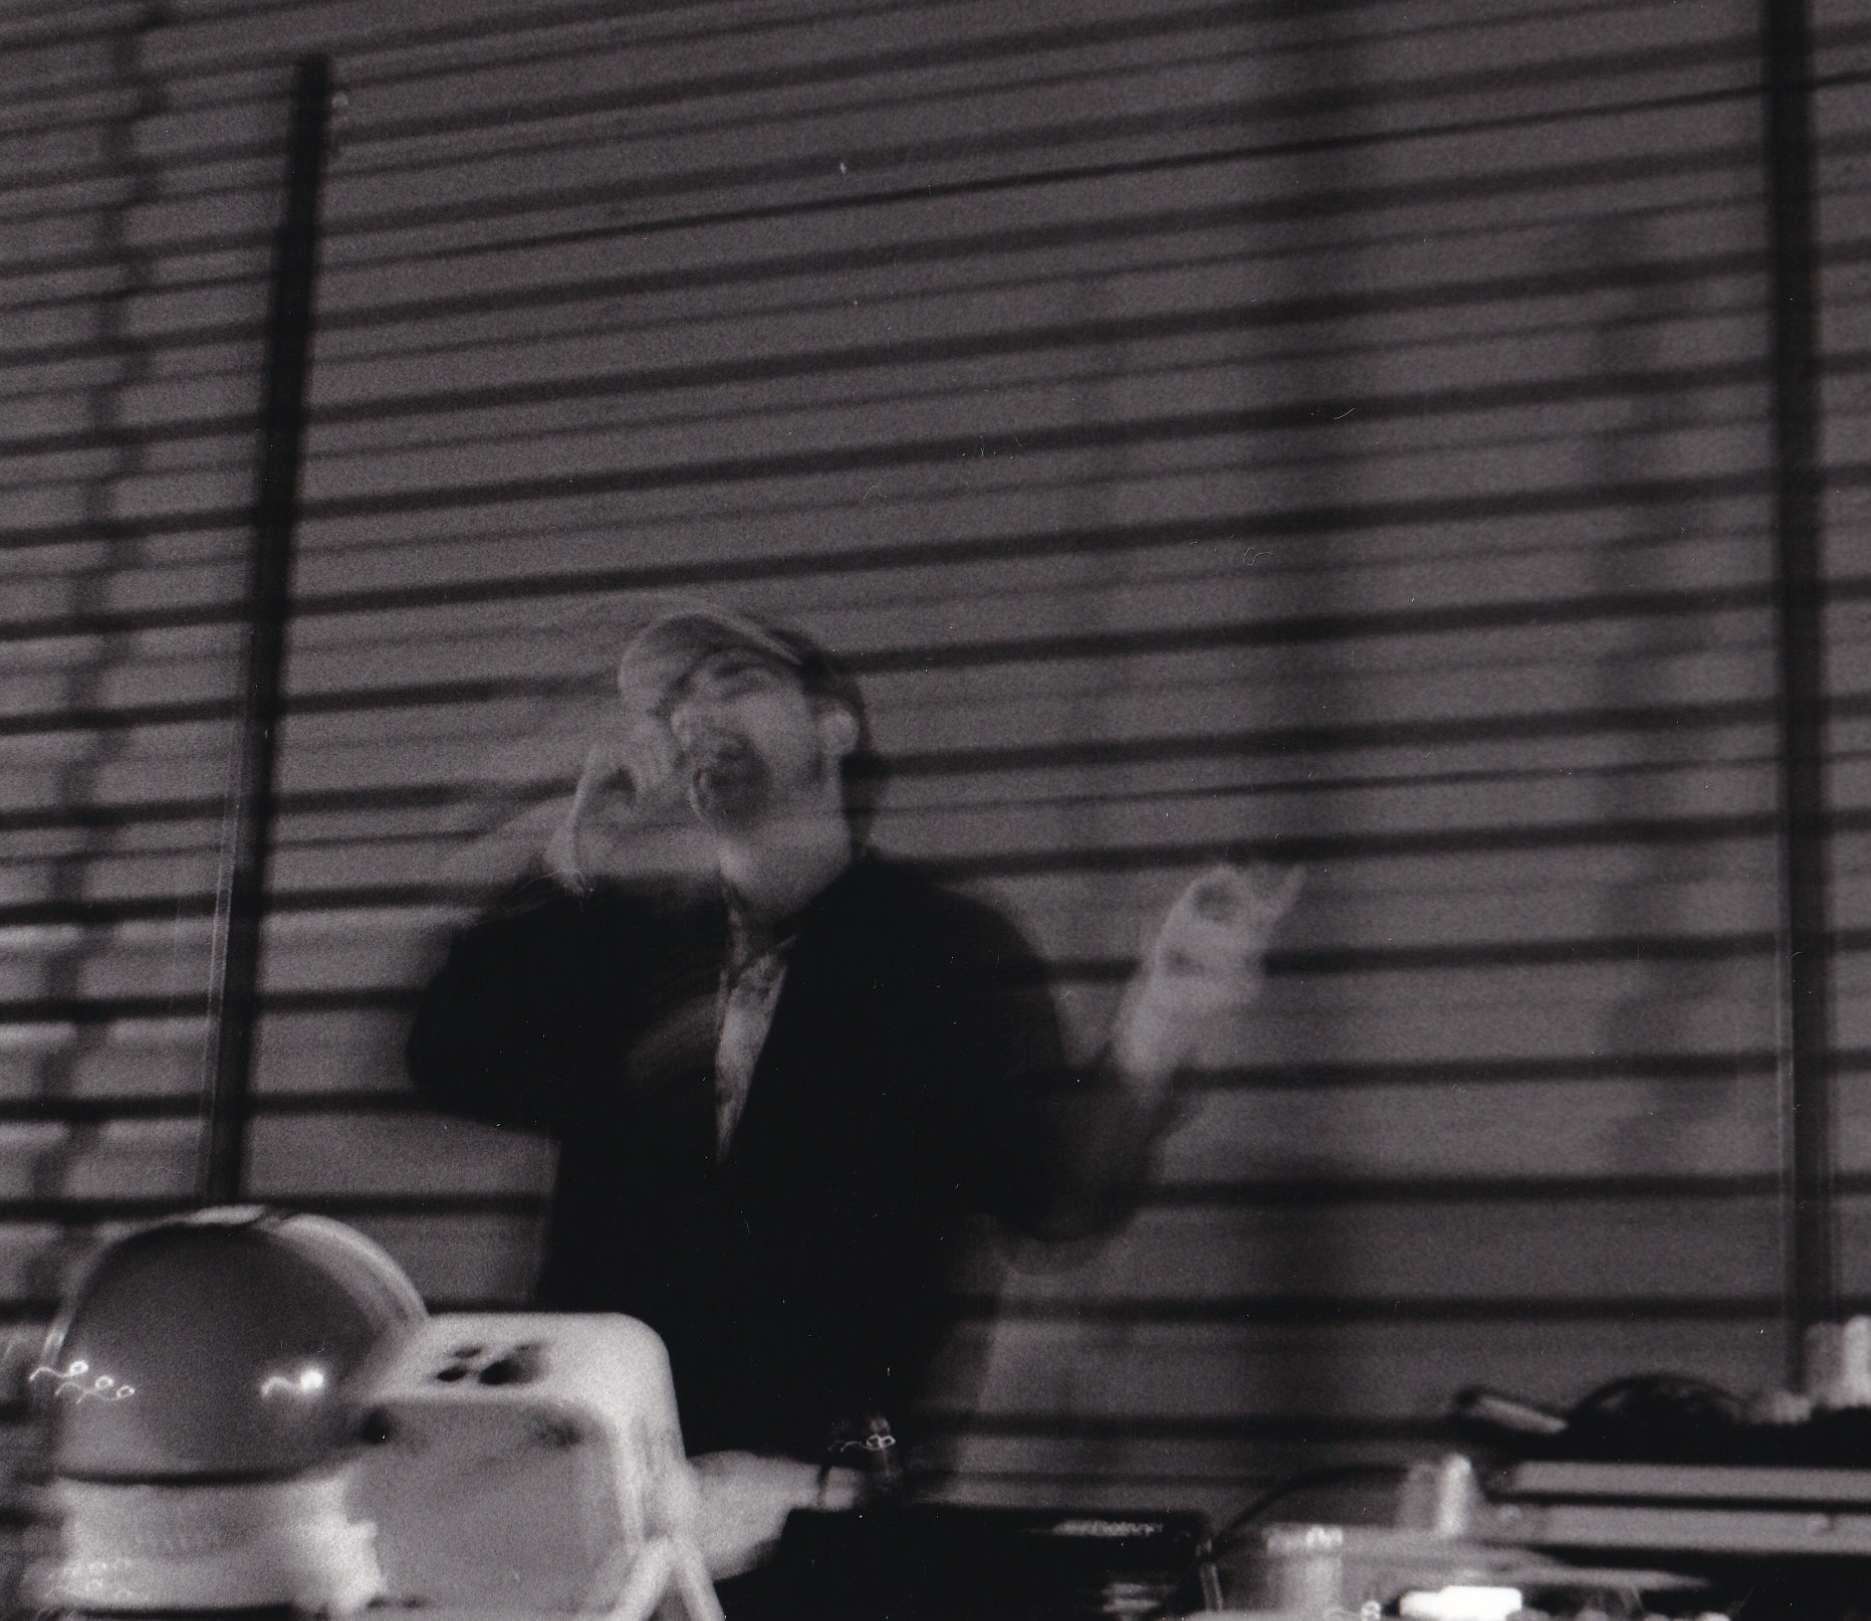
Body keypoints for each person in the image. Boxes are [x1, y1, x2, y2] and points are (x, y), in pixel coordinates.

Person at [405, 603, 1297, 1575]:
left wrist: (1160, 1015)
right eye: (675, 703)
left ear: (833, 725)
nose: (694, 715)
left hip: (805, 1517)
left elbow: (1054, 1191)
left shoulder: (939, 947)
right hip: (590, 1497)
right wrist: (575, 853)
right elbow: (447, 1056)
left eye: (734, 682)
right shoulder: (628, 945)